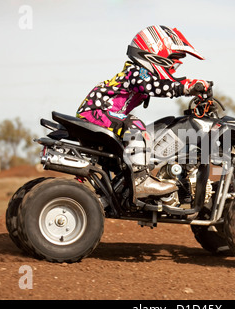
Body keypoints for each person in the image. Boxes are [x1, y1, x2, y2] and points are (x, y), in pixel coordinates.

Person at [76, 25, 211, 198]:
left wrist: (190, 86)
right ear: (153, 54)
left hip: (101, 114)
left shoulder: (135, 72)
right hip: (95, 112)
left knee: (131, 135)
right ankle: (141, 180)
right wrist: (187, 87)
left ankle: (123, 185)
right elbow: (155, 86)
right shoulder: (135, 72)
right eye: (172, 60)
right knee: (135, 124)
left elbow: (168, 82)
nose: (174, 67)